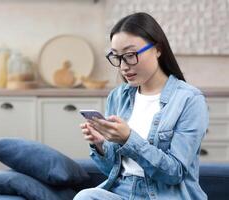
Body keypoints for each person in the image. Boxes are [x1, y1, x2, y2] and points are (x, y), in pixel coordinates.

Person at [74, 12, 209, 200]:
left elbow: (174, 173)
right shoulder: (118, 97)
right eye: (117, 57)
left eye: (130, 55)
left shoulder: (189, 100)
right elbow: (112, 170)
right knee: (86, 197)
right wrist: (100, 146)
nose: (123, 66)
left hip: (165, 195)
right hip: (121, 192)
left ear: (158, 49)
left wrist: (128, 139)